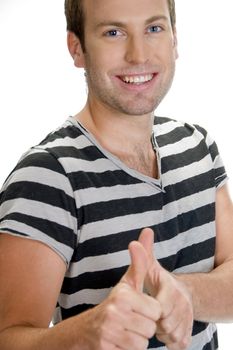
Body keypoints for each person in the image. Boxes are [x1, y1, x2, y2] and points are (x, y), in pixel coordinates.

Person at [0, 0, 232, 349]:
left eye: (154, 28)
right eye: (113, 32)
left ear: (175, 39)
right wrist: (84, 335)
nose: (138, 55)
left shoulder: (197, 145)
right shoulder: (48, 177)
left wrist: (181, 293)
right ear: (77, 48)